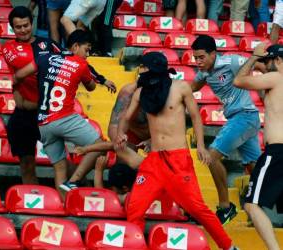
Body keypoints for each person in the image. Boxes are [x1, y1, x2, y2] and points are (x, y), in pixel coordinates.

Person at [115, 52, 238, 250]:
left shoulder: (181, 88)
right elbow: (125, 117)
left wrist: (199, 145)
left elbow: (197, 118)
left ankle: (229, 246)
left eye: (143, 67)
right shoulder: (141, 92)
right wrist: (121, 133)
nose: (140, 71)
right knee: (135, 208)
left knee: (198, 208)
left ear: (153, 68)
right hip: (153, 161)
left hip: (178, 160)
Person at [13, 30, 116, 196]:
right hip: (64, 117)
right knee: (99, 145)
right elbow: (91, 87)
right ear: (75, 47)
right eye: (87, 49)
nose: (87, 54)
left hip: (43, 124)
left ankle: (63, 207)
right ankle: (74, 180)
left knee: (59, 168)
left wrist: (17, 91)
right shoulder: (81, 64)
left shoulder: (44, 58)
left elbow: (19, 75)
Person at [191, 35, 261, 224]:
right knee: (255, 167)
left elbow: (259, 65)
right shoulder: (204, 72)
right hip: (242, 118)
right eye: (195, 57)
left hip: (244, 116)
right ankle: (260, 212)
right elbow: (190, 88)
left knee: (210, 156)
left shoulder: (231, 61)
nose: (197, 61)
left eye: (201, 57)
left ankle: (225, 207)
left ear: (213, 54)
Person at [2, 6, 62, 184]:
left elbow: (67, 63)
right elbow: (27, 65)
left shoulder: (49, 44)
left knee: (61, 162)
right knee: (27, 164)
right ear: (12, 28)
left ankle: (74, 192)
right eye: (18, 27)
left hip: (48, 114)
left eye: (26, 25)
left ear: (32, 22)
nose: (23, 30)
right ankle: (31, 207)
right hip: (24, 116)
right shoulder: (9, 49)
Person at [234, 43, 283, 250]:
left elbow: (238, 81)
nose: (264, 66)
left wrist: (254, 58)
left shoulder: (277, 77)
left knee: (251, 204)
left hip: (278, 152)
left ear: (278, 61)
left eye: (267, 62)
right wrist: (263, 64)